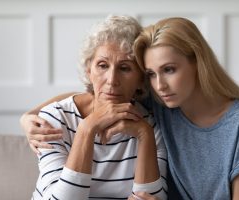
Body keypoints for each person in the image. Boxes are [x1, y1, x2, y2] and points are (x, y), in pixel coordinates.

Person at [21, 17, 239, 200]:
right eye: (151, 73)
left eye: (169, 69)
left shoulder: (238, 118)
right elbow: (98, 95)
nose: (160, 84)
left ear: (197, 63)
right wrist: (29, 116)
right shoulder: (163, 103)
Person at [23, 15, 167, 200]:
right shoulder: (56, 119)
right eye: (102, 65)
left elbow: (152, 198)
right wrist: (87, 128)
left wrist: (144, 134)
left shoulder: (150, 125)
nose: (112, 80)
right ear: (88, 70)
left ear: (141, 79)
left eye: (125, 68)